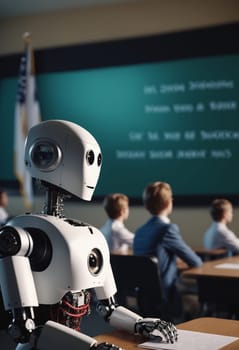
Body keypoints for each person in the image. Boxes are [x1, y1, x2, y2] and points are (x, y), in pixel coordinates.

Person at [133, 181, 202, 321]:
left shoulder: (139, 232)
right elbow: (196, 262)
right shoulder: (168, 229)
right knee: (197, 301)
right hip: (167, 297)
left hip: (144, 299)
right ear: (169, 203)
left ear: (146, 205)